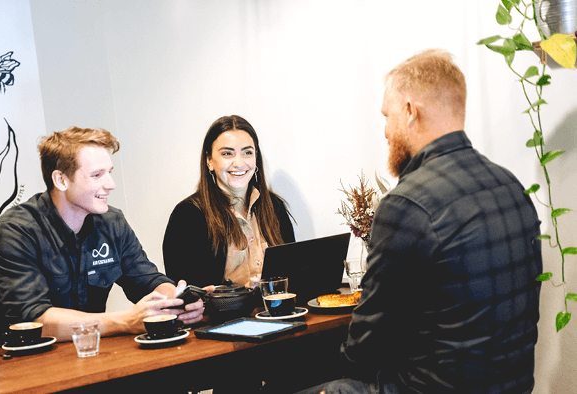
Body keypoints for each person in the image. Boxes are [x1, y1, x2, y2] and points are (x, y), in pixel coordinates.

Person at [297, 49, 542, 393]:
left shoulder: (407, 205)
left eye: (387, 116)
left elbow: (367, 346)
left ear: (410, 112)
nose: (385, 131)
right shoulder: (510, 186)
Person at [0, 127, 205, 352]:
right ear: (61, 180)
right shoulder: (14, 232)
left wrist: (175, 301)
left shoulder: (112, 222)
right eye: (97, 175)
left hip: (87, 352)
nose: (110, 185)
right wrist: (124, 321)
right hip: (16, 362)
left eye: (109, 172)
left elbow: (148, 280)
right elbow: (34, 318)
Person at [162, 115, 295, 289]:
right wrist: (242, 292)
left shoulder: (274, 205)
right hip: (223, 316)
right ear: (209, 160)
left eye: (247, 152)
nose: (239, 163)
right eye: (227, 153)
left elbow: (293, 269)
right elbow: (185, 291)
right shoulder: (188, 215)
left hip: (277, 311)